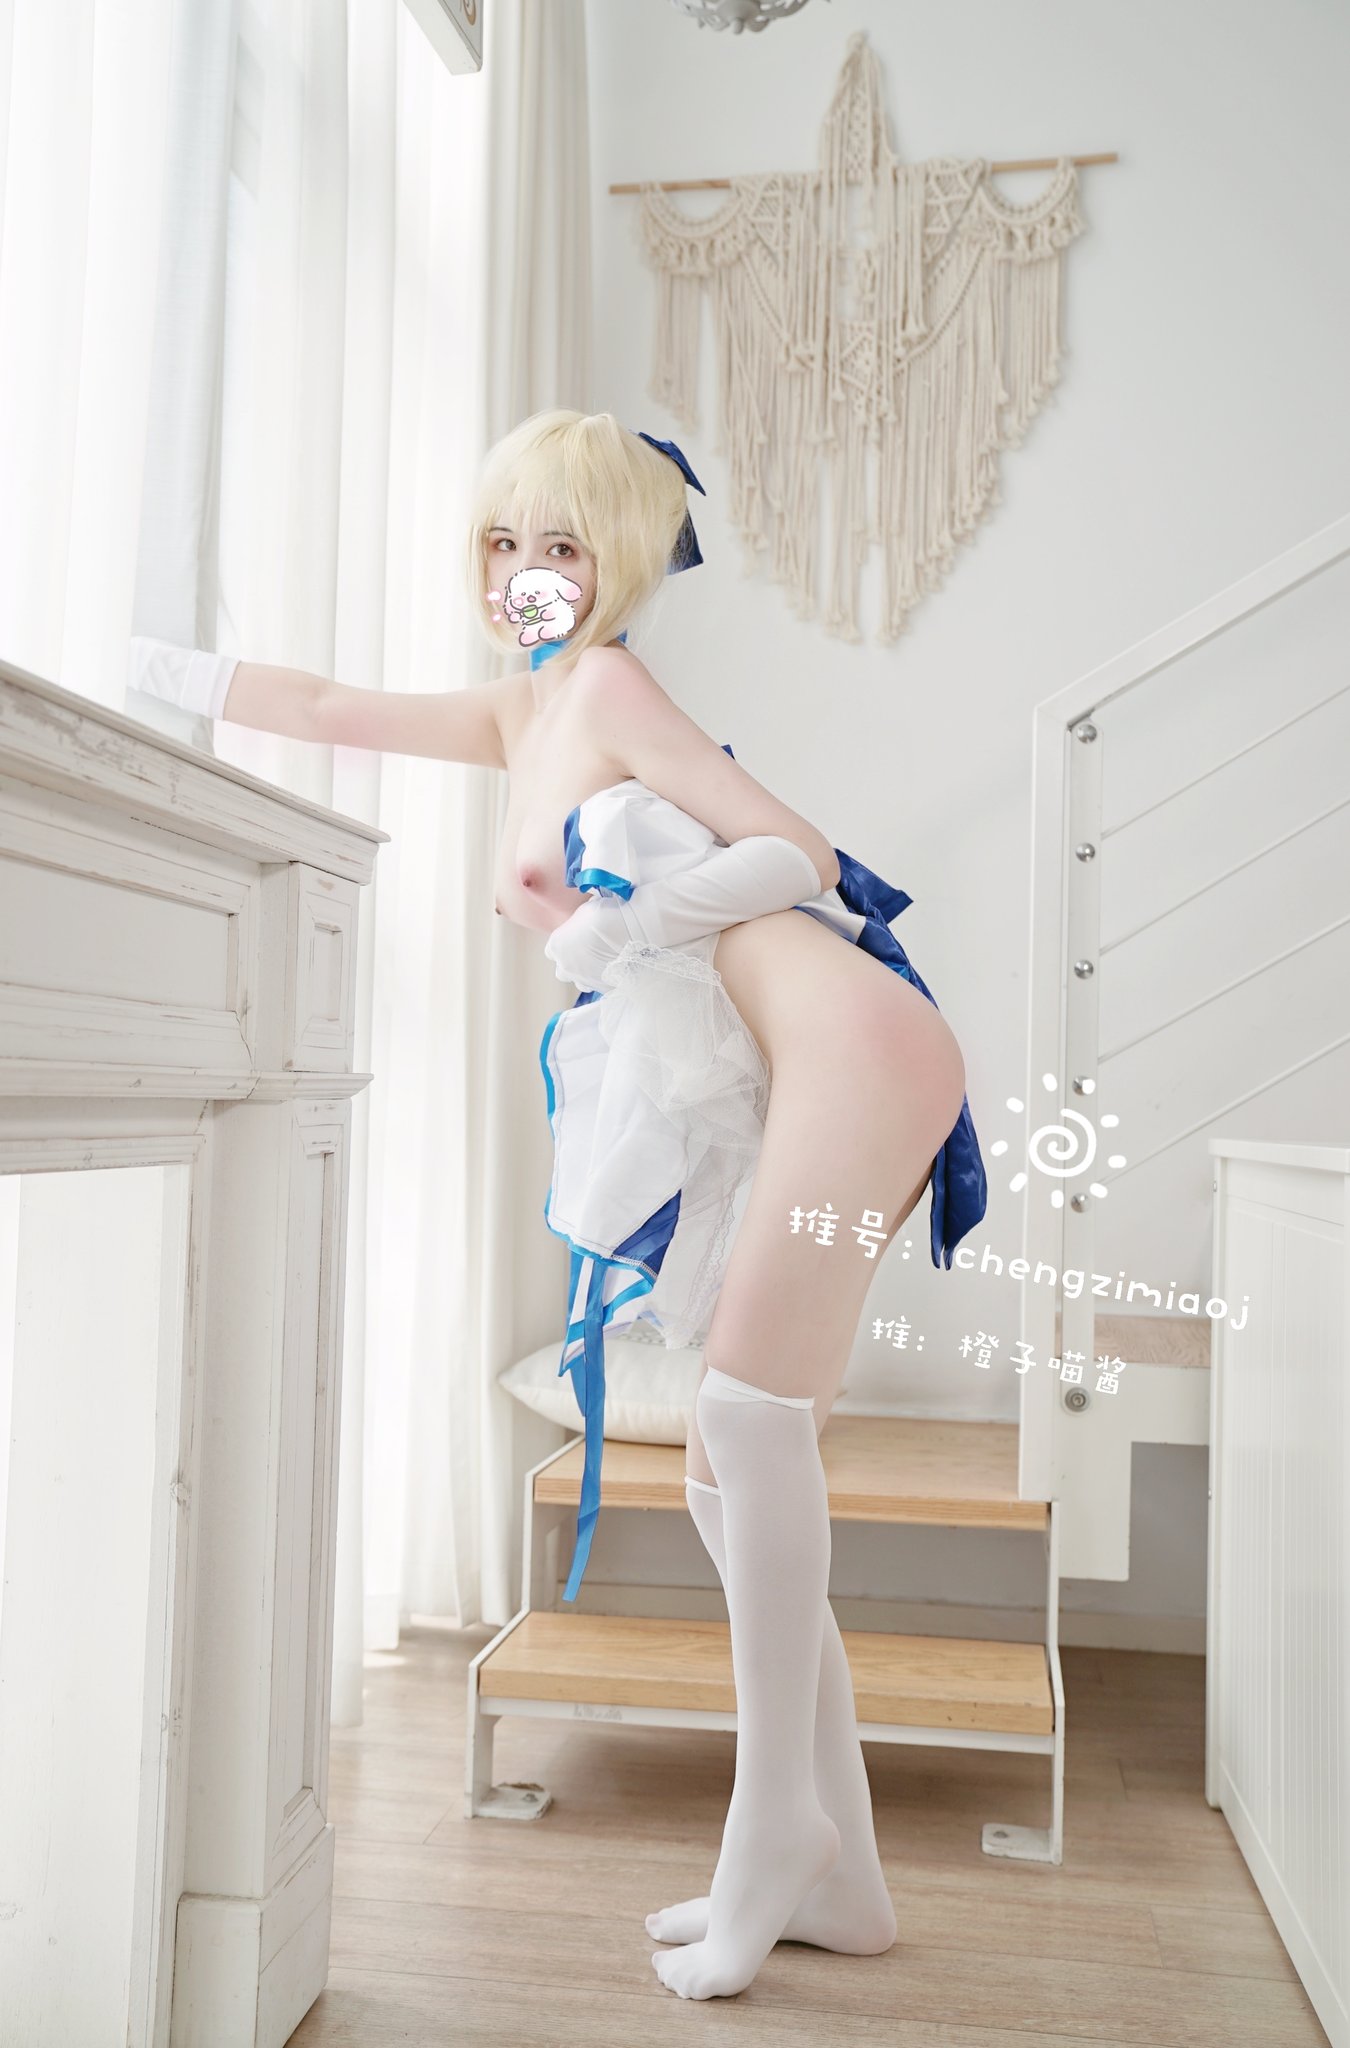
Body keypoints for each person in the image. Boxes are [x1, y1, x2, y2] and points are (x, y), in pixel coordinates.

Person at [128, 408, 984, 2003]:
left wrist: (624, 925)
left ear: (624, 562)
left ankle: (771, 1829)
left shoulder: (604, 687)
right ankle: (841, 1876)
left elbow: (798, 853)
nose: (527, 571)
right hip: (820, 1062)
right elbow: (321, 705)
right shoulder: (523, 710)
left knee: (743, 1426)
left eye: (565, 545)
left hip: (857, 1049)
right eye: (504, 541)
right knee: (737, 1466)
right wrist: (133, 657)